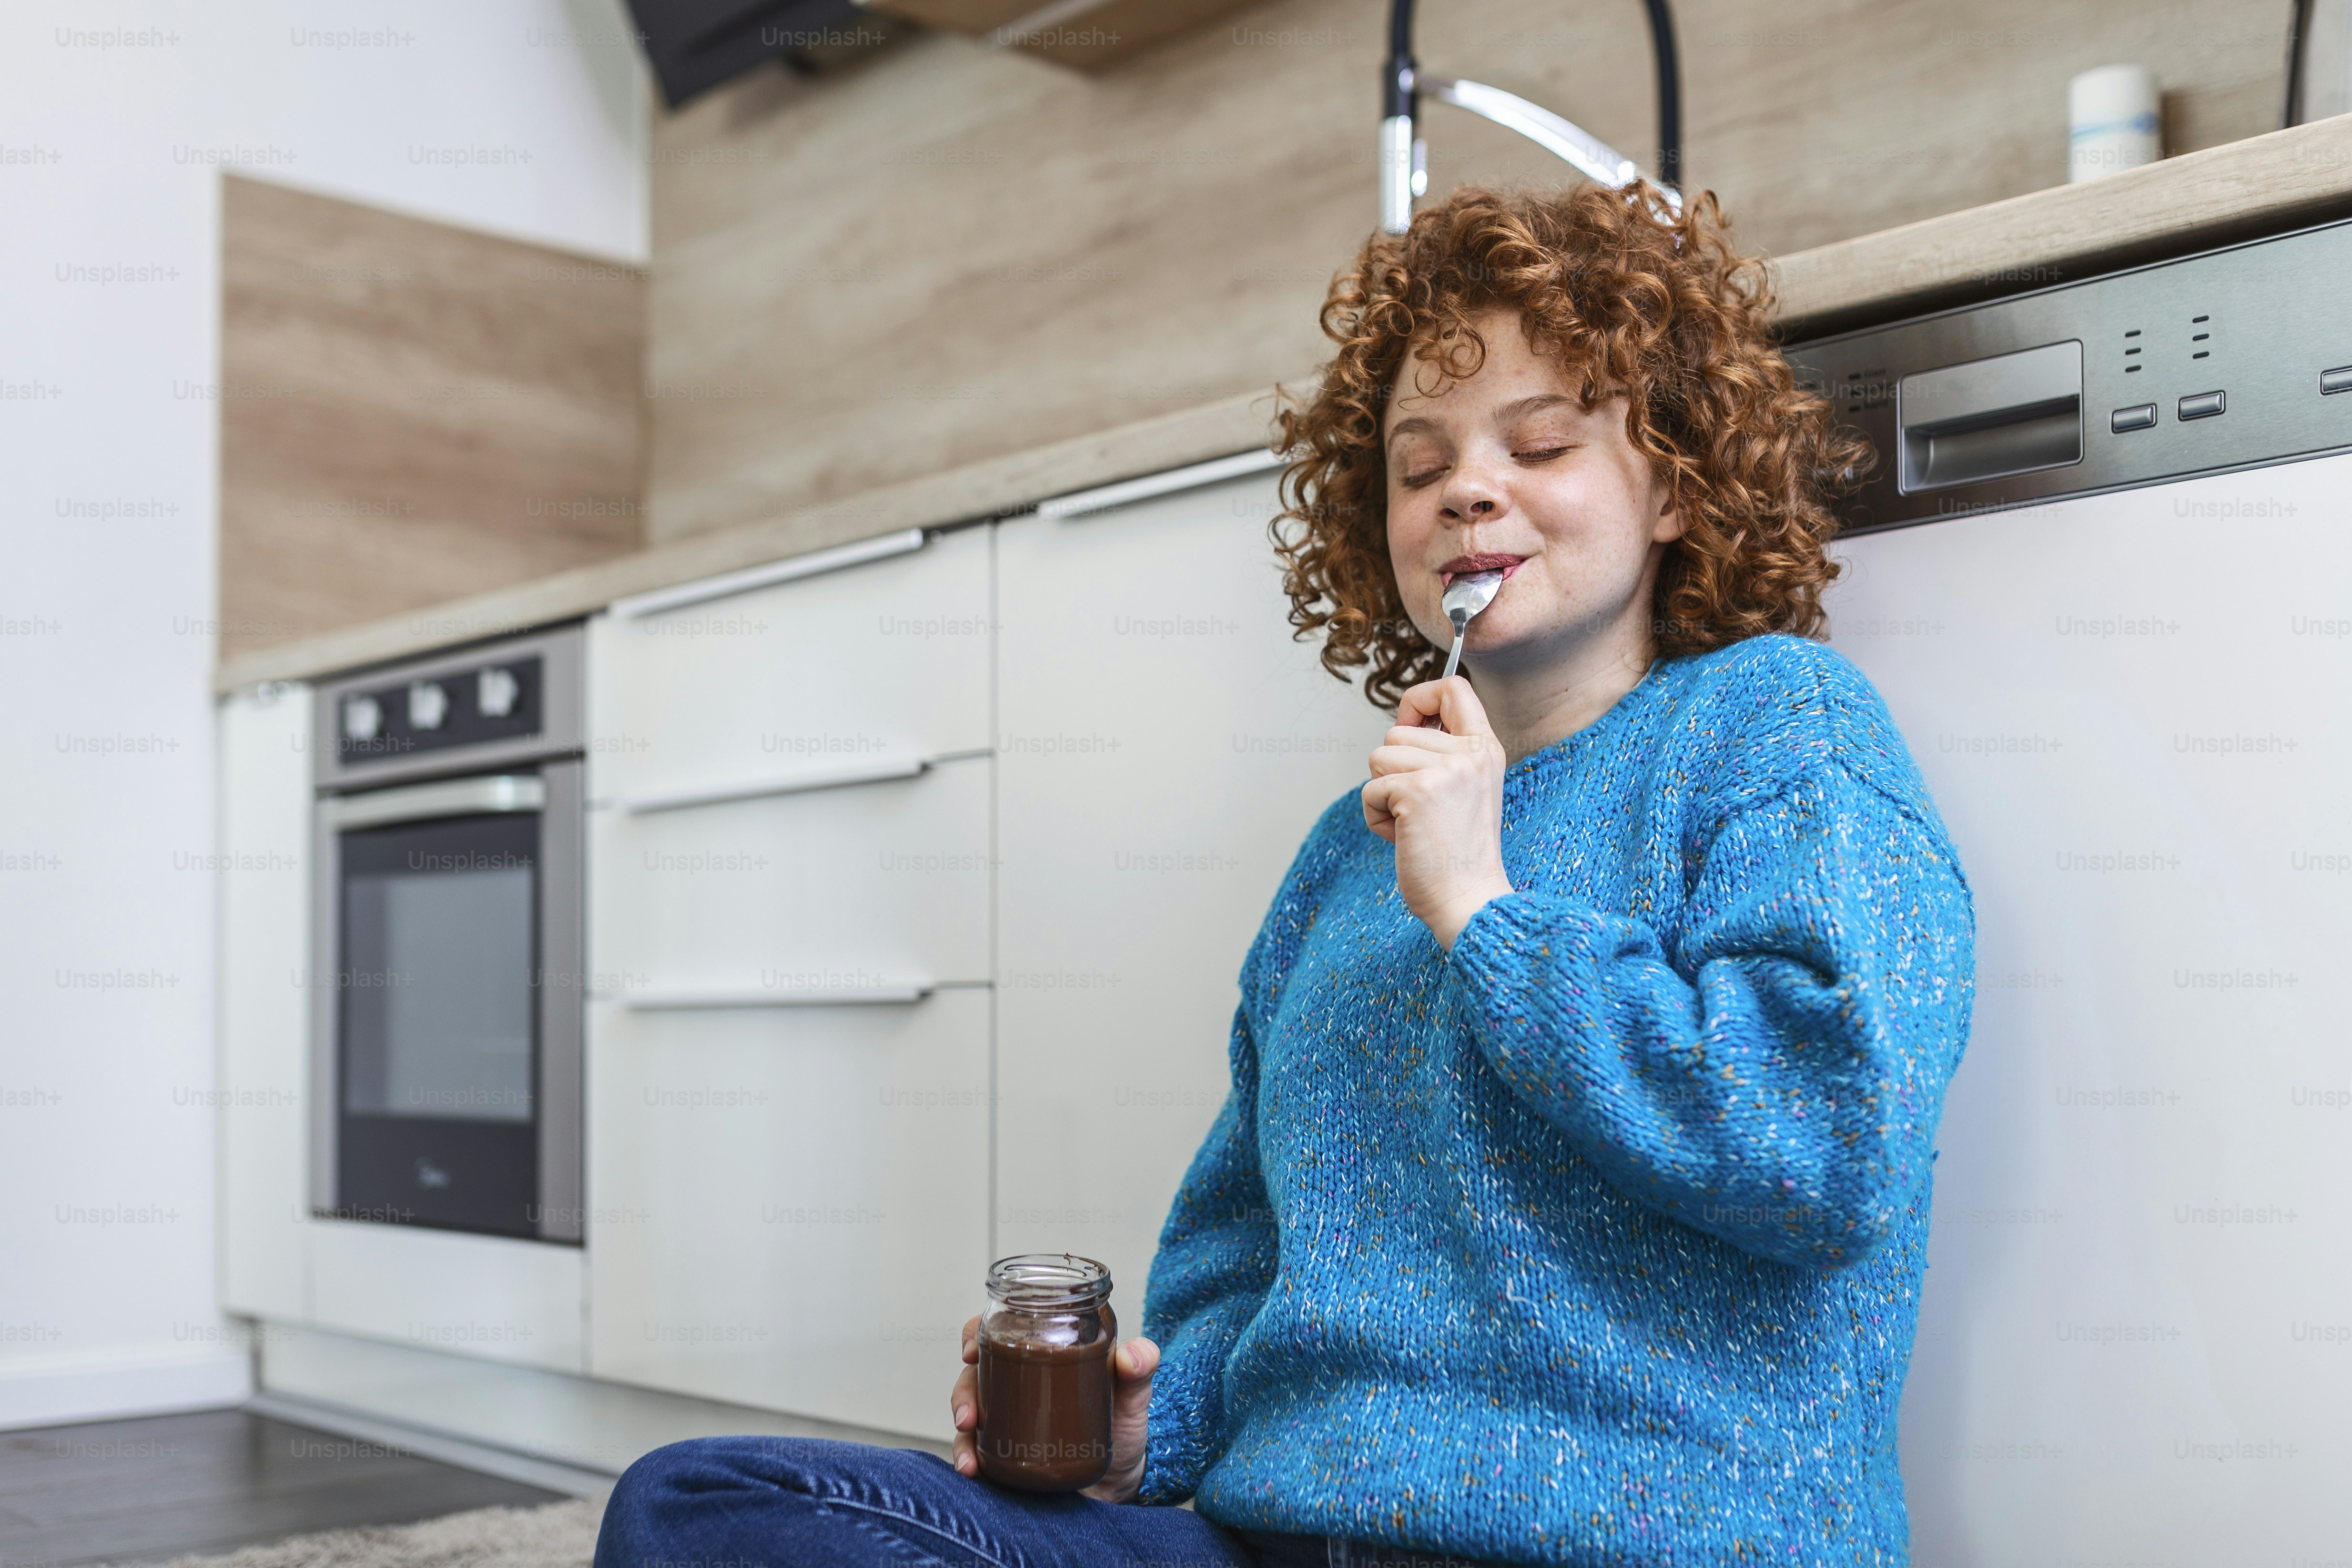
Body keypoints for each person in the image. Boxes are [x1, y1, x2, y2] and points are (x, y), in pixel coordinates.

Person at [594, 182, 1975, 1568]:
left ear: (1672, 482)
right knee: (694, 1507)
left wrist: (1486, 913)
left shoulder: (1778, 726)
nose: (1467, 490)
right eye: (1419, 467)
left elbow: (1826, 1145)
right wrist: (1147, 1432)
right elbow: (1238, 1266)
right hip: (1285, 1544)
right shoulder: (1344, 851)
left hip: (1635, 1544)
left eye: (1540, 440)